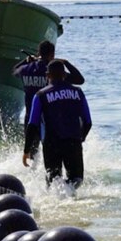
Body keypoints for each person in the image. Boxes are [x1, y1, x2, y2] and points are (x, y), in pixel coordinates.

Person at [23, 60, 92, 191]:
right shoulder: (78, 92)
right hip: (73, 142)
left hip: (51, 145)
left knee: (53, 183)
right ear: (64, 75)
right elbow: (88, 122)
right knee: (76, 180)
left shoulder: (40, 95)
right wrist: (80, 139)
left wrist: (26, 150)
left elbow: (32, 124)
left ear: (47, 75)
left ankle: (55, 205)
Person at [12, 40, 85, 125]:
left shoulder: (26, 69)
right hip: (49, 120)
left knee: (30, 138)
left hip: (30, 119)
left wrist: (26, 61)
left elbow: (14, 71)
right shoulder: (54, 71)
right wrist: (65, 62)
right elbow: (80, 80)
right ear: (52, 55)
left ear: (38, 53)